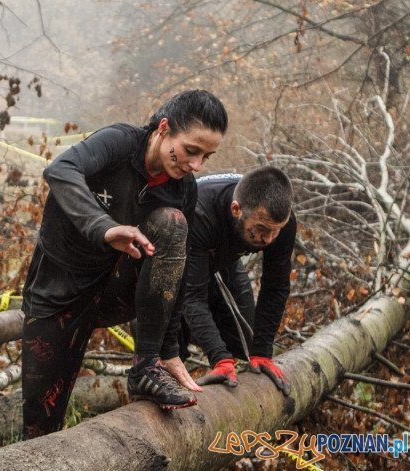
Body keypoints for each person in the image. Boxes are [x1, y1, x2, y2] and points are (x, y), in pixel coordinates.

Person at [21, 89, 228, 439]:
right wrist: (104, 228)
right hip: (60, 290)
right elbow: (60, 169)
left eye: (206, 156)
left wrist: (168, 351)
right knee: (40, 426)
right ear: (164, 128)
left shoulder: (184, 190)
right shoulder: (119, 141)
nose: (195, 165)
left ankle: (144, 368)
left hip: (117, 290)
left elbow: (177, 270)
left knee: (174, 223)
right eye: (191, 151)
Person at [181, 168, 295, 395]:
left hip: (224, 259)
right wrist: (219, 359)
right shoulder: (198, 209)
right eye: (261, 230)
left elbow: (276, 285)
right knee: (173, 334)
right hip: (179, 256)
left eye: (276, 231)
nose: (269, 239)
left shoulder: (281, 222)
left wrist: (262, 352)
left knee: (246, 340)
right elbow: (191, 295)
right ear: (236, 210)